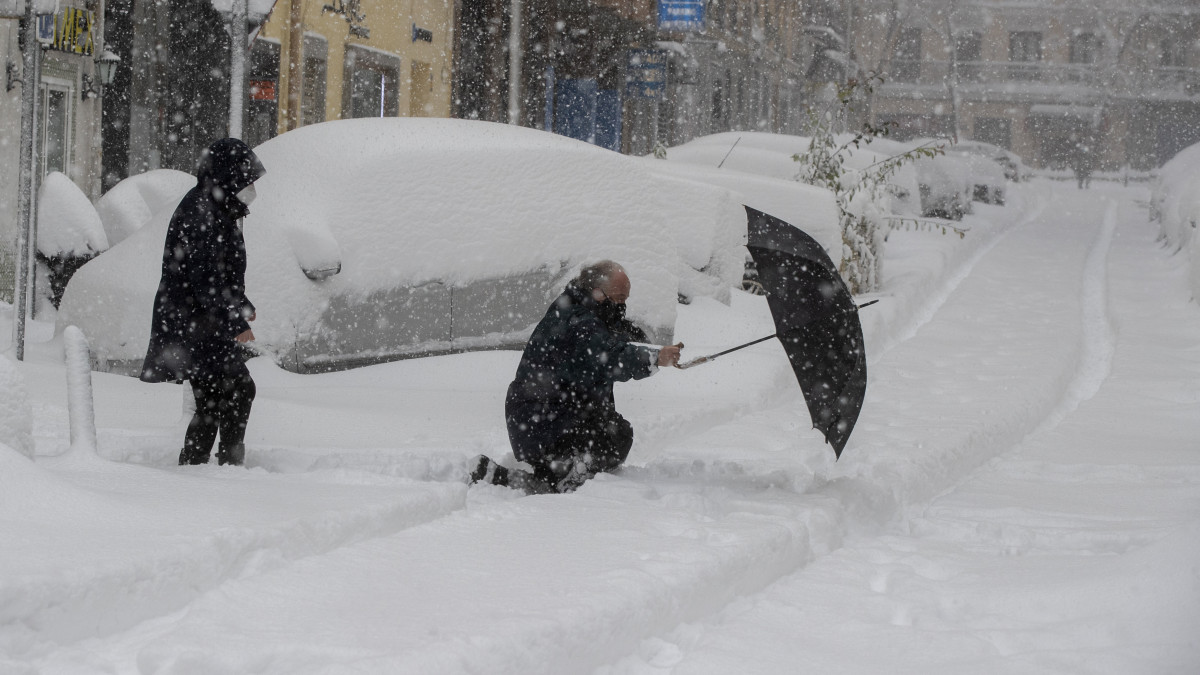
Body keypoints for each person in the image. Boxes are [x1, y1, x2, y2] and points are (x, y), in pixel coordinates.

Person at [471, 260, 682, 494]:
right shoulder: (579, 321)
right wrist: (653, 357)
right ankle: (559, 482)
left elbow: (612, 335)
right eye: (620, 298)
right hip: (544, 421)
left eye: (626, 299)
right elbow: (609, 356)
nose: (623, 306)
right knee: (615, 436)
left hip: (540, 419)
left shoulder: (580, 308)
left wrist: (648, 346)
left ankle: (523, 475)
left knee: (608, 430)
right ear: (598, 293)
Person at [140, 138, 266, 467]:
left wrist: (242, 304)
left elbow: (219, 274)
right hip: (198, 324)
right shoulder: (203, 213)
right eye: (247, 179)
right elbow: (206, 280)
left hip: (198, 322)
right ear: (229, 175)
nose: (251, 188)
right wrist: (235, 322)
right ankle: (227, 463)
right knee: (239, 389)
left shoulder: (213, 205)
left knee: (211, 398)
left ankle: (197, 464)